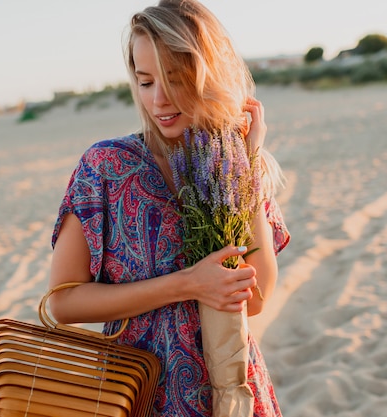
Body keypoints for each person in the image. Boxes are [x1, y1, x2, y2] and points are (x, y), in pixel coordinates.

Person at [48, 0, 290, 415]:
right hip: (140, 393)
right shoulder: (106, 167)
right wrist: (187, 283)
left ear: (208, 76)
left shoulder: (231, 167)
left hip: (232, 390)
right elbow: (63, 303)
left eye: (176, 79)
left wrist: (245, 165)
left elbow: (257, 298)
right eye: (145, 82)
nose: (159, 100)